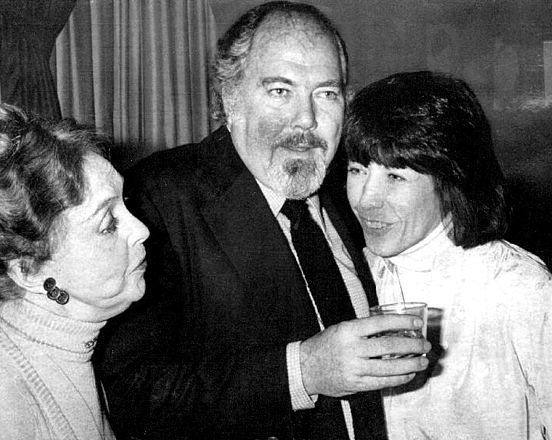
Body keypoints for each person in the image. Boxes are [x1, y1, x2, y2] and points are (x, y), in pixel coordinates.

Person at [96, 2, 430, 439]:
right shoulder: (156, 199)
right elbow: (133, 397)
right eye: (280, 91)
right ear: (230, 98)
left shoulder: (347, 192)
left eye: (326, 93)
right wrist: (302, 372)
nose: (307, 120)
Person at [344, 70, 552, 439]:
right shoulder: (354, 274)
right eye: (357, 170)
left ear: (449, 180)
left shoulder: (517, 289)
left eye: (395, 177)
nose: (365, 199)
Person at [0, 103, 150, 440]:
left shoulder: (69, 346)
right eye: (108, 224)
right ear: (29, 271)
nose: (142, 230)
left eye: (125, 203)